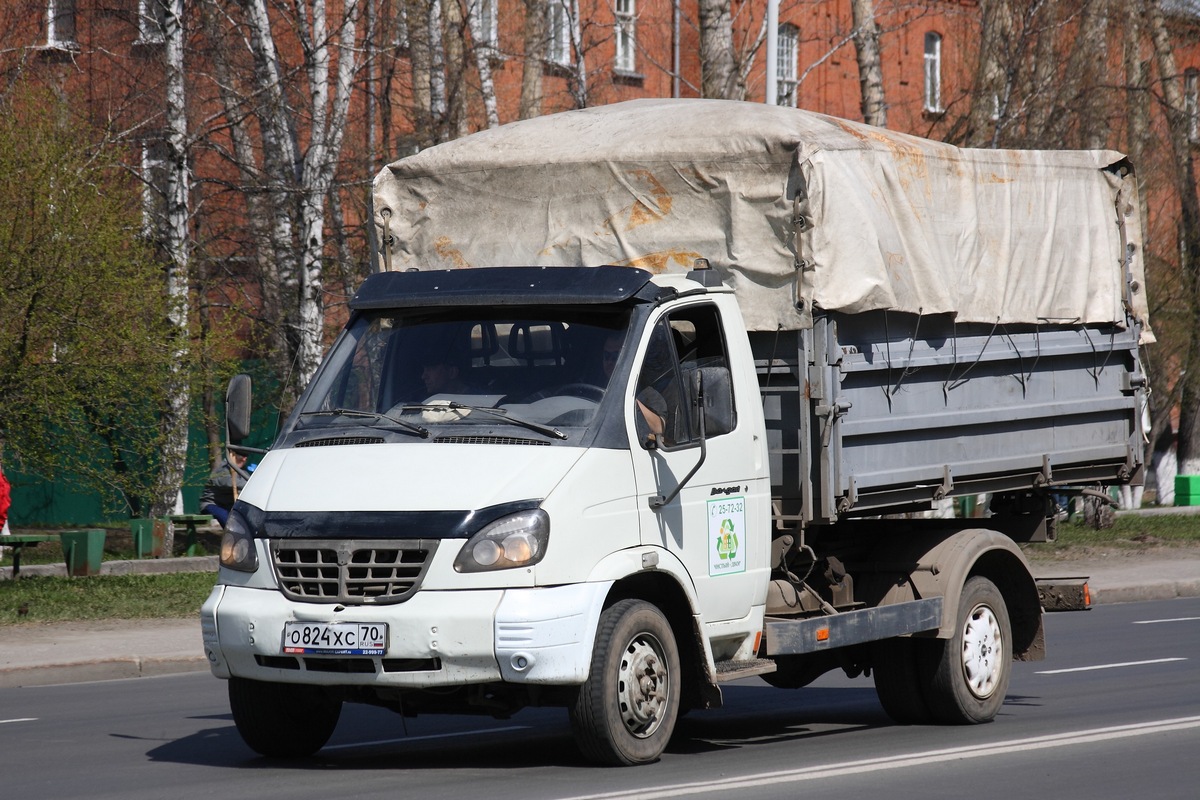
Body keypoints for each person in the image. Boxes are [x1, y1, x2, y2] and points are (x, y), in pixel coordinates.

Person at [200, 449, 251, 527]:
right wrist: (250, 484)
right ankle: (232, 537)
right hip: (212, 504)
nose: (243, 459)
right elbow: (228, 483)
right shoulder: (222, 469)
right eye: (241, 457)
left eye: (245, 457)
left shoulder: (243, 471)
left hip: (229, 505)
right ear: (233, 456)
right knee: (228, 520)